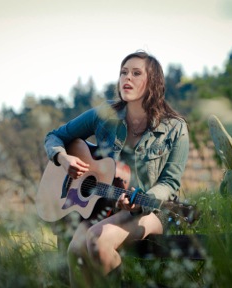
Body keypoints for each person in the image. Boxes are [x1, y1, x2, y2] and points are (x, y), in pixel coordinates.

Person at [44, 51, 189, 287]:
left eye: (135, 73)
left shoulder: (175, 127)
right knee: (76, 251)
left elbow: (170, 183)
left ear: (152, 81)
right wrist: (63, 159)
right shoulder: (104, 115)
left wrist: (141, 200)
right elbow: (55, 136)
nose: (126, 78)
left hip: (153, 210)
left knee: (98, 242)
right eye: (123, 72)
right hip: (104, 205)